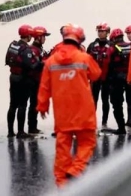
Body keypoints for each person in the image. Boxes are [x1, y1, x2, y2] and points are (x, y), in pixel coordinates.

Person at [37, 24, 101, 188]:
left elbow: (44, 86)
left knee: (62, 148)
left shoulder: (51, 61)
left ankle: (62, 183)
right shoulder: (84, 58)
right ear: (79, 41)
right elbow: (96, 74)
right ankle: (76, 169)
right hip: (83, 111)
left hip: (62, 112)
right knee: (87, 143)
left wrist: (42, 106)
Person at [5, 24, 41, 139]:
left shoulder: (13, 45)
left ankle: (10, 132)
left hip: (13, 77)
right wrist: (41, 63)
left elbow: (7, 60)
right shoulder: (26, 49)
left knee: (12, 105)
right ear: (29, 36)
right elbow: (31, 65)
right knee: (22, 105)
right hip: (22, 79)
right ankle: (21, 132)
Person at [87, 22, 112, 130]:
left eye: (103, 31)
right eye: (99, 31)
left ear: (107, 32)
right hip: (94, 79)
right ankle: (91, 121)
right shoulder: (92, 46)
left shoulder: (112, 45)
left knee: (105, 100)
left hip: (107, 78)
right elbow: (86, 59)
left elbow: (116, 58)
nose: (101, 33)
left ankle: (104, 122)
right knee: (93, 100)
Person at [106, 28, 131, 135]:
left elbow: (107, 64)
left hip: (116, 79)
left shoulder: (112, 48)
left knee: (117, 104)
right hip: (129, 78)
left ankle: (121, 128)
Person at [28, 26, 51, 135]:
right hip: (33, 81)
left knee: (35, 103)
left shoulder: (40, 49)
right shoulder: (33, 50)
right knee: (33, 104)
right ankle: (32, 128)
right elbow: (36, 66)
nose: (45, 39)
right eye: (44, 37)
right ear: (38, 37)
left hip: (39, 80)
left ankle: (33, 126)